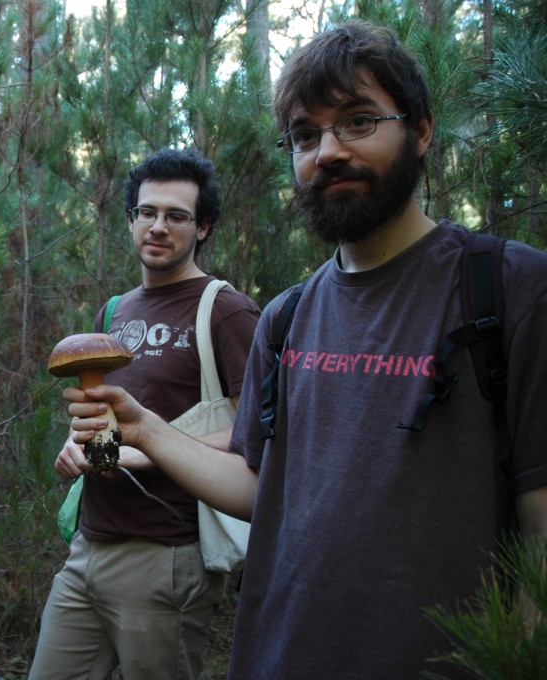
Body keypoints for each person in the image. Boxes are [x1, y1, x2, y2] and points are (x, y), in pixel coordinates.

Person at [63, 21, 547, 680]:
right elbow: (260, 485)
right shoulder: (287, 317)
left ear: (422, 131)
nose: (327, 152)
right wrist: (141, 425)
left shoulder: (509, 289)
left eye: (358, 121)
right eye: (305, 135)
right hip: (279, 653)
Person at [29, 148, 260, 679]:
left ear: (202, 228)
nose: (158, 227)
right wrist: (80, 444)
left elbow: (254, 435)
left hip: (166, 555)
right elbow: (106, 417)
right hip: (89, 544)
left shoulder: (224, 309)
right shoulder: (116, 311)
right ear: (131, 219)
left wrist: (144, 451)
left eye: (176, 216)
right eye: (147, 212)